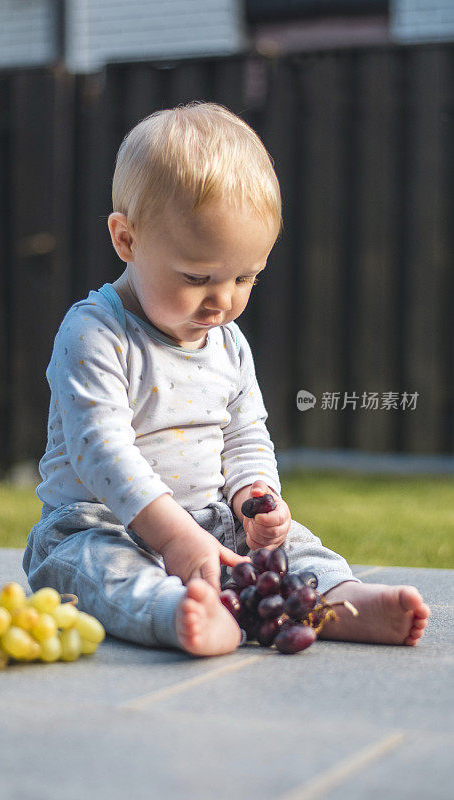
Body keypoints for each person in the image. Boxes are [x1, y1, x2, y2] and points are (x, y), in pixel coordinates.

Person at [23, 102, 429, 656]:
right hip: (98, 524)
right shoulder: (94, 333)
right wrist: (173, 538)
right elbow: (101, 452)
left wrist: (253, 497)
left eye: (246, 277)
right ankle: (175, 614)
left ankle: (344, 602)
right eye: (197, 277)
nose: (222, 300)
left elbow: (245, 435)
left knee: (299, 550)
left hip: (211, 523)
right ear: (127, 240)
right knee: (98, 572)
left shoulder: (228, 342)